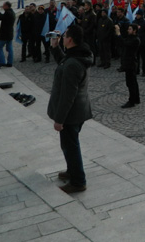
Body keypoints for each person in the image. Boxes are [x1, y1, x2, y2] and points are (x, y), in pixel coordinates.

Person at [48, 25, 93, 193]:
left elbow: (68, 96)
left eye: (65, 36)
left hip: (72, 113)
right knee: (68, 145)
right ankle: (72, 171)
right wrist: (55, 47)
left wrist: (59, 120)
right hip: (79, 110)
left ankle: (78, 181)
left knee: (71, 146)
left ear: (71, 39)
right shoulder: (79, 55)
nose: (63, 37)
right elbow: (64, 62)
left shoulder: (74, 63)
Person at [116, 23, 141, 108]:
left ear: (134, 31)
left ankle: (132, 101)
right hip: (128, 62)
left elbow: (125, 43)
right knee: (132, 82)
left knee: (131, 83)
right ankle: (136, 98)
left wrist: (118, 33)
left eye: (130, 29)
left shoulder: (135, 40)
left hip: (131, 63)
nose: (128, 30)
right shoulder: (130, 38)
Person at [0, 2, 16, 68]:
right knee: (10, 48)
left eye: (3, 6)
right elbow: (2, 17)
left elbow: (0, 18)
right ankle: (10, 62)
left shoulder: (8, 13)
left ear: (6, 6)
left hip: (4, 34)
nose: (2, 7)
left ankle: (2, 62)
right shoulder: (11, 12)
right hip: (10, 34)